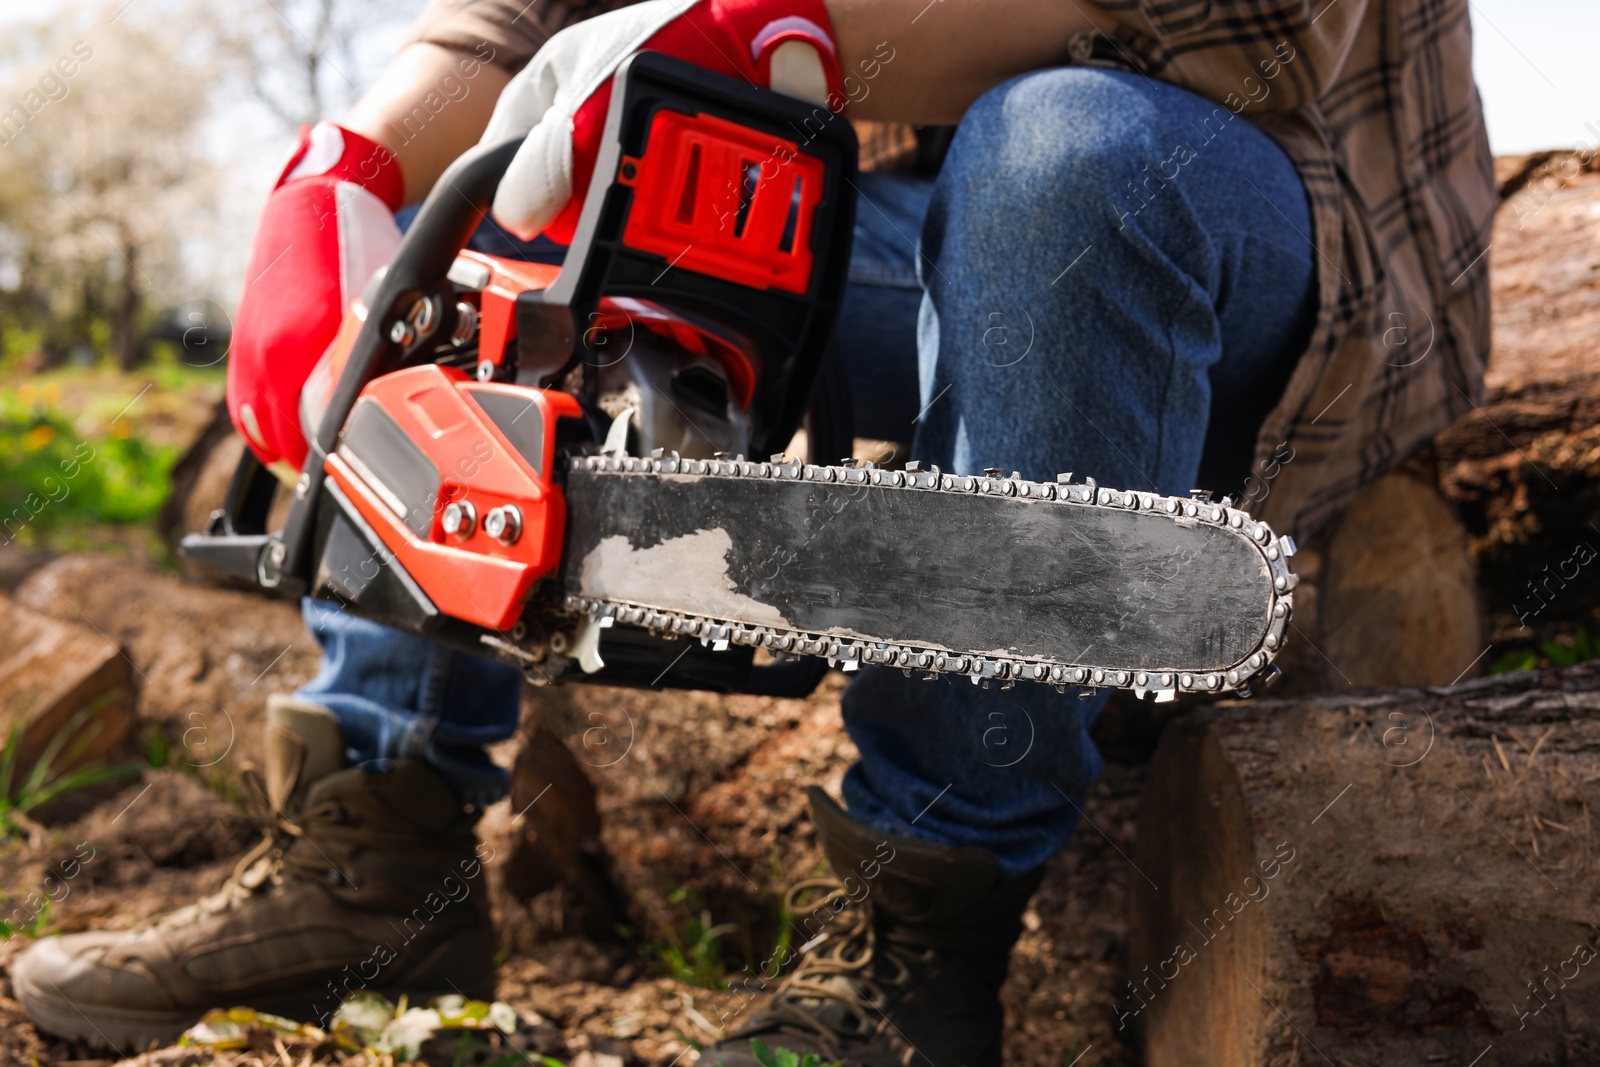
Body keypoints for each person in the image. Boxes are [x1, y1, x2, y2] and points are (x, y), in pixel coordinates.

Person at [14, 0, 1494, 1063]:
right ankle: (376, 834)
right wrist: (356, 163)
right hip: (913, 208)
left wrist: (776, 33)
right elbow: (521, 20)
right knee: (523, 188)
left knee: (1058, 157)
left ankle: (917, 932)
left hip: (1238, 216)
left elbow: (1245, 26)